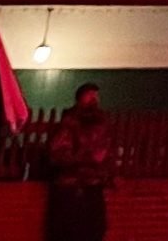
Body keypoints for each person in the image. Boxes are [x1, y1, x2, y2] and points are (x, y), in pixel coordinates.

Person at [45, 83, 114, 241]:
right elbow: (57, 154)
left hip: (93, 186)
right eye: (89, 95)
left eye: (96, 95)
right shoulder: (69, 123)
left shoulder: (101, 123)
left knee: (95, 229)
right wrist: (87, 159)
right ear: (79, 99)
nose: (94, 99)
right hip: (71, 187)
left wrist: (108, 173)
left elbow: (106, 151)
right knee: (70, 231)